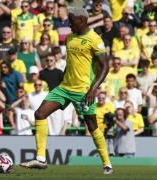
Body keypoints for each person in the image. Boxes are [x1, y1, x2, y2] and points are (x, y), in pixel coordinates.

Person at [20, 7, 113, 174]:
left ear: (82, 21)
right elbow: (71, 63)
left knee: (92, 126)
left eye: (71, 20)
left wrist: (93, 89)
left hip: (83, 91)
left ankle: (107, 163)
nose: (69, 24)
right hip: (64, 88)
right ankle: (41, 158)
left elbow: (105, 66)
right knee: (39, 114)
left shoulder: (94, 39)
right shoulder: (70, 38)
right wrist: (61, 81)